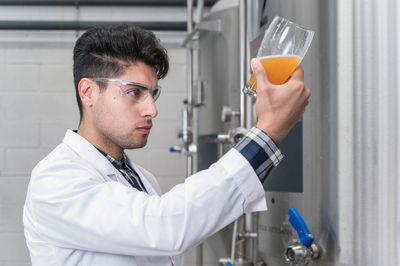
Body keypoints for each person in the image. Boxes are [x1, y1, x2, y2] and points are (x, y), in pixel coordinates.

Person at [23, 24, 310, 266]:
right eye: (134, 92)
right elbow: (165, 227)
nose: (152, 110)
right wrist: (268, 131)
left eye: (153, 94)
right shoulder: (55, 180)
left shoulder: (141, 180)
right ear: (88, 92)